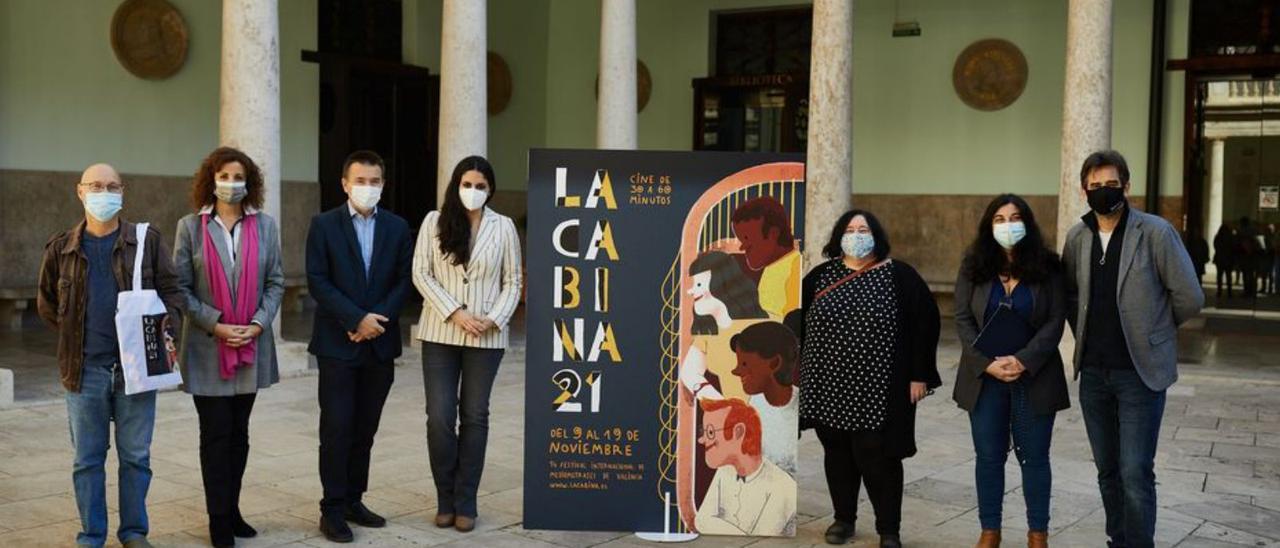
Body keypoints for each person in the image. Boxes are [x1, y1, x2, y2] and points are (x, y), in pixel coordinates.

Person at [37, 163, 185, 548]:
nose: (105, 193)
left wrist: (162, 331)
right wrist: (77, 339)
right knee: (87, 460)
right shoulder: (60, 247)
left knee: (136, 456)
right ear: (80, 191)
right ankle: (92, 535)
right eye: (96, 186)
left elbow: (173, 290)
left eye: (112, 186)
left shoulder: (145, 241)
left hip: (137, 371)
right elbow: (48, 304)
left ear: (123, 191)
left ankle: (134, 532)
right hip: (84, 371)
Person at [1062, 151, 1203, 548]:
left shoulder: (1156, 233)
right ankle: (1117, 538)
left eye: (1111, 184)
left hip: (1139, 373)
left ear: (1127, 186)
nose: (1103, 192)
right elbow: (1071, 294)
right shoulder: (1079, 236)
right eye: (1094, 186)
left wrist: (1157, 329)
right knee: (1107, 469)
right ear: (1083, 190)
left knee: (1135, 470)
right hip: (1093, 373)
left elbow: (1189, 295)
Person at [798, 209, 941, 548]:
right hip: (827, 383)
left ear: (877, 236)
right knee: (836, 453)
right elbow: (794, 320)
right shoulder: (821, 275)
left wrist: (919, 375)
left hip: (880, 387)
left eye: (864, 229)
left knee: (878, 456)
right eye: (850, 228)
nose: (857, 234)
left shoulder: (899, 275)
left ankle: (888, 529)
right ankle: (842, 519)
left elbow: (926, 324)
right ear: (838, 236)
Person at [173, 147, 285, 547]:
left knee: (240, 433)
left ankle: (233, 508)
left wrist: (257, 323)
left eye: (239, 177)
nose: (231, 183)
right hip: (208, 346)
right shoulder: (190, 227)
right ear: (211, 179)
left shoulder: (266, 226)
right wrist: (217, 325)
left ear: (249, 182)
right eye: (224, 175)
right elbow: (180, 288)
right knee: (216, 434)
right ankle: (218, 517)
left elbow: (275, 281)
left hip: (251, 345)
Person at [305, 150, 413, 543]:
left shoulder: (399, 228)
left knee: (364, 430)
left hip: (378, 346)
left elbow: (405, 280)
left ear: (383, 184)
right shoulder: (324, 225)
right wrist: (354, 319)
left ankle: (353, 499)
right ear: (345, 184)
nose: (368, 188)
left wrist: (373, 322)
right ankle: (331, 509)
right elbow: (318, 279)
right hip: (337, 345)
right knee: (336, 429)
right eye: (360, 181)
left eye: (375, 181)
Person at [412, 156, 521, 533]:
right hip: (441, 332)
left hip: (487, 337)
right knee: (440, 417)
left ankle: (466, 502)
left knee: (475, 416)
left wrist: (493, 318)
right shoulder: (433, 221)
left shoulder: (504, 227)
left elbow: (514, 281)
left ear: (490, 190)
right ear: (454, 185)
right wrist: (456, 312)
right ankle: (445, 498)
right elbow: (421, 273)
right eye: (466, 184)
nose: (472, 192)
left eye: (480, 186)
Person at [952, 195, 1069, 548]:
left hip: (1035, 376)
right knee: (988, 457)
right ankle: (990, 530)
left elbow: (1055, 319)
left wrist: (1023, 360)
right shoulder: (973, 265)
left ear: (1027, 223)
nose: (1007, 225)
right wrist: (986, 363)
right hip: (984, 379)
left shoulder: (1049, 266)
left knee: (1034, 457)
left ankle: (1038, 534)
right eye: (999, 219)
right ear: (990, 226)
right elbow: (962, 318)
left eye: (1015, 218)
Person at [694, 398, 797, 536]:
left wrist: (716, 523)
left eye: (710, 432)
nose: (702, 439)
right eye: (703, 431)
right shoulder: (724, 470)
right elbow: (701, 521)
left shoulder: (784, 485)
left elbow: (763, 536)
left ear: (738, 432)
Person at [679, 251, 769, 402]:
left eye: (699, 284)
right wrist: (724, 407)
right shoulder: (709, 334)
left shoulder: (764, 327)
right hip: (737, 421)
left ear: (722, 283)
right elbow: (689, 373)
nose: (691, 291)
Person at [731, 196, 802, 320]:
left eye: (747, 238)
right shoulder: (771, 267)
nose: (742, 247)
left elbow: (791, 321)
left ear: (773, 234)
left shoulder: (796, 266)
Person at [1212, 223, 1235, 298]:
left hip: (1220, 259)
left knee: (1219, 276)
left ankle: (1219, 291)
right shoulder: (1230, 237)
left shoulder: (1218, 237)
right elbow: (1233, 247)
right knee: (1228, 277)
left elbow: (1215, 246)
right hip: (1228, 259)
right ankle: (1229, 292)